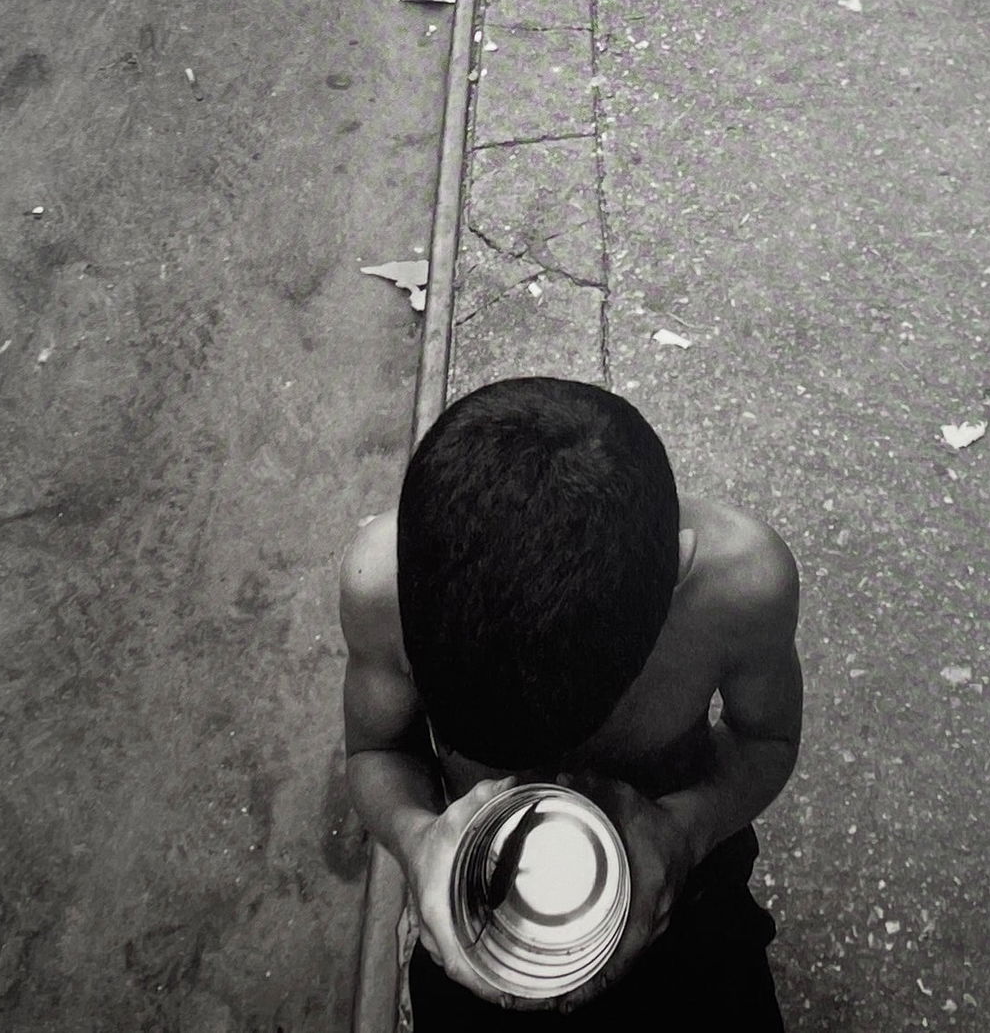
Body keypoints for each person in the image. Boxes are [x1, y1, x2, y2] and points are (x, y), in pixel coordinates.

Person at [340, 375, 801, 1026]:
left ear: (676, 574)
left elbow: (766, 739)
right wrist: (417, 843)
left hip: (690, 891)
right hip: (486, 905)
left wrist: (684, 833)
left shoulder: (741, 584)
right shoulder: (380, 582)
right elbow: (376, 749)